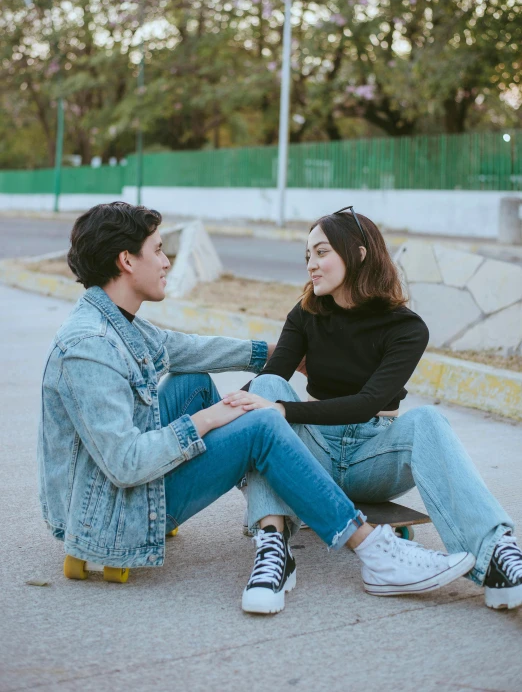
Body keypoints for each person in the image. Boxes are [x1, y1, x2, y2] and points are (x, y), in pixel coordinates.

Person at [38, 201, 475, 615]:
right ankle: (375, 552)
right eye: (158, 250)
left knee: (193, 382)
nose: (167, 261)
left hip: (116, 492)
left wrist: (269, 352)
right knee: (262, 423)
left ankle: (279, 529)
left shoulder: (114, 321)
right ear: (126, 261)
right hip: (112, 515)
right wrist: (211, 418)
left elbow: (183, 348)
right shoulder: (89, 349)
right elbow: (126, 464)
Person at [223, 206, 522, 612]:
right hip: (313, 456)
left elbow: (368, 403)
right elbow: (270, 380)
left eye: (322, 252)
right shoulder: (305, 314)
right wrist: (211, 416)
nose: (311, 264)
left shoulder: (406, 328)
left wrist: (283, 412)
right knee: (268, 387)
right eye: (307, 255)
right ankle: (274, 548)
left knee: (428, 419)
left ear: (359, 253)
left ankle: (498, 556)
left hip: (375, 457)